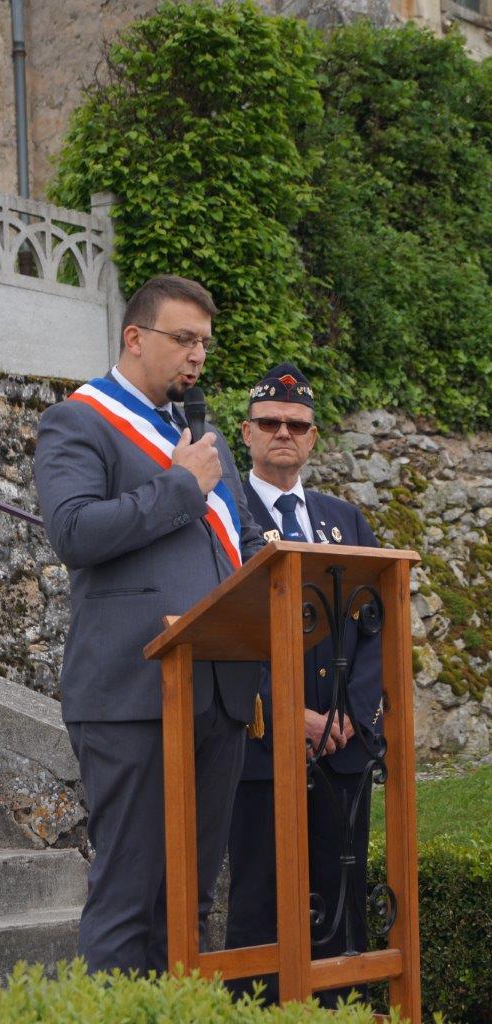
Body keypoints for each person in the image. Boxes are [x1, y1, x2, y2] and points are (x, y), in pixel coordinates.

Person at [34, 275, 263, 974]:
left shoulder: (196, 434)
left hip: (218, 689)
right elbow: (72, 532)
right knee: (128, 896)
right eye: (182, 339)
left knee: (191, 902)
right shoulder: (79, 421)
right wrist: (177, 487)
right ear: (135, 338)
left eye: (203, 344)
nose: (196, 357)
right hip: (133, 691)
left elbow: (248, 546)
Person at [225, 363, 382, 1007]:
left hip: (340, 752)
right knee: (261, 906)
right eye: (270, 423)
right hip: (263, 752)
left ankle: (339, 1016)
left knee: (341, 906)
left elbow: (378, 621)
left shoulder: (343, 518)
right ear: (247, 433)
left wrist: (351, 713)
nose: (283, 433)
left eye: (296, 425)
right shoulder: (222, 518)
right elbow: (221, 632)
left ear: (313, 438)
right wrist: (288, 716)